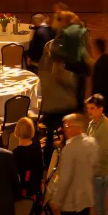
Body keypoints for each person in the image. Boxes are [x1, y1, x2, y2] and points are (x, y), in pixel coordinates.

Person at [38, 40, 77, 168]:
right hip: (65, 108)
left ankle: (48, 161)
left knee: (49, 136)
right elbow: (72, 86)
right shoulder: (64, 69)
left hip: (50, 109)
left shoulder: (44, 69)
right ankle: (68, 157)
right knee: (67, 134)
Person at [54, 11, 91, 110]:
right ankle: (80, 105)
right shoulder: (83, 31)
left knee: (71, 86)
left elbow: (61, 49)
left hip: (70, 63)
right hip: (81, 63)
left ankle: (72, 105)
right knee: (81, 86)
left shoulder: (65, 31)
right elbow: (87, 47)